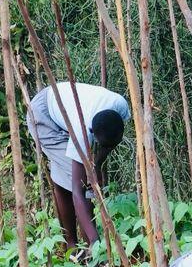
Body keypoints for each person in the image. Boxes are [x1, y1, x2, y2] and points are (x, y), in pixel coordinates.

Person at [26, 81, 130, 254]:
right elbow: (77, 190)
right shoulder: (82, 131)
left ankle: (75, 246)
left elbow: (110, 143)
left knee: (68, 176)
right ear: (91, 133)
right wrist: (96, 240)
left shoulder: (120, 107)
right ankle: (89, 247)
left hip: (62, 106)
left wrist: (97, 165)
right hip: (43, 116)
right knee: (82, 185)